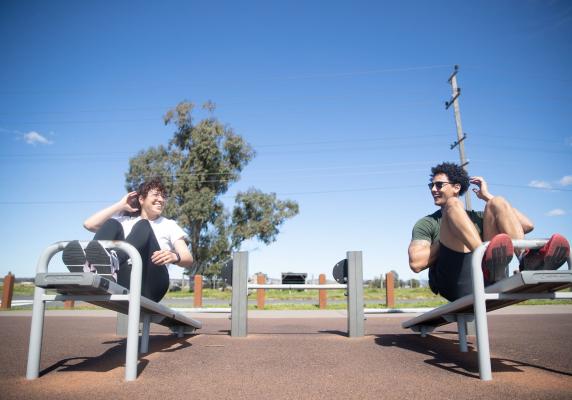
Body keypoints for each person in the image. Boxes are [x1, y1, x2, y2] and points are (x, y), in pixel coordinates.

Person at [408, 162, 570, 302]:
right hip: (454, 283)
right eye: (432, 185)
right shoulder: (427, 223)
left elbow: (527, 225)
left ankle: (524, 260)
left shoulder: (480, 217)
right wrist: (451, 231)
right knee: (453, 205)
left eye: (439, 185)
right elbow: (416, 263)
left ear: (456, 187)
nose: (433, 189)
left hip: (486, 279)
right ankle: (484, 259)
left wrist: (487, 197)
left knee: (497, 201)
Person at [62, 177, 193, 302]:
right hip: (124, 278)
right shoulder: (125, 221)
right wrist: (120, 205)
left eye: (163, 196)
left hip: (152, 282)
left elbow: (187, 258)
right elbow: (89, 224)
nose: (161, 199)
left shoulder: (168, 224)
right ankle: (90, 267)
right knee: (111, 223)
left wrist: (175, 256)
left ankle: (113, 261)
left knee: (143, 225)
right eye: (156, 195)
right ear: (141, 199)